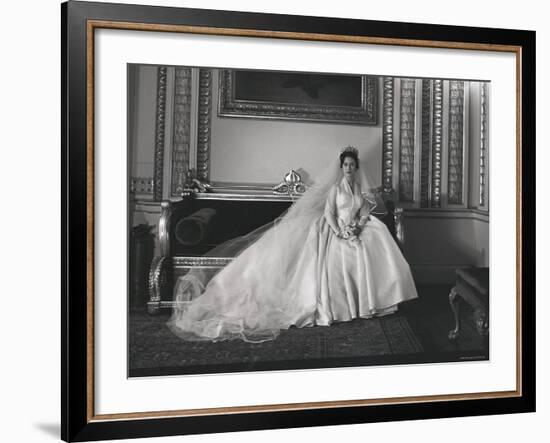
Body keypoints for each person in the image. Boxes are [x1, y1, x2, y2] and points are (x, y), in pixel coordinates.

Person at [167, 146, 418, 343]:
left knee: (377, 237)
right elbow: (330, 213)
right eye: (346, 165)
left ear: (356, 167)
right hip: (334, 228)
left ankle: (373, 303)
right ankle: (339, 305)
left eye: (352, 165)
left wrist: (358, 226)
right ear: (341, 168)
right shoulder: (335, 190)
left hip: (353, 227)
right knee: (332, 259)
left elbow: (364, 210)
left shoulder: (360, 191)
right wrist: (340, 230)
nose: (349, 168)